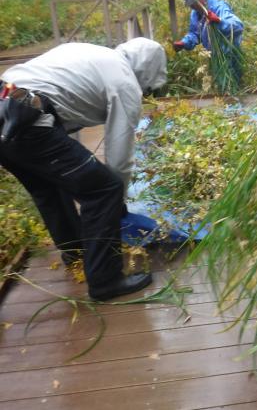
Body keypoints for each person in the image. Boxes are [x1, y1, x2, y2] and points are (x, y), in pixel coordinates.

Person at [0, 38, 168, 301]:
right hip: (27, 117)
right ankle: (105, 280)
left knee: (49, 187)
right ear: (147, 70)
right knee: (105, 189)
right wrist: (117, 205)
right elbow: (119, 154)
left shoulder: (92, 53)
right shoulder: (125, 83)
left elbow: (62, 103)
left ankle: (76, 253)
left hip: (7, 101)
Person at [173, 0, 244, 90]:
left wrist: (219, 21)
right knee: (221, 89)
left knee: (233, 88)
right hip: (215, 58)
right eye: (190, 5)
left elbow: (238, 25)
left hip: (230, 56)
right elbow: (195, 33)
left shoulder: (219, 7)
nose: (193, 7)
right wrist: (184, 43)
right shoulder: (195, 13)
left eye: (194, 3)